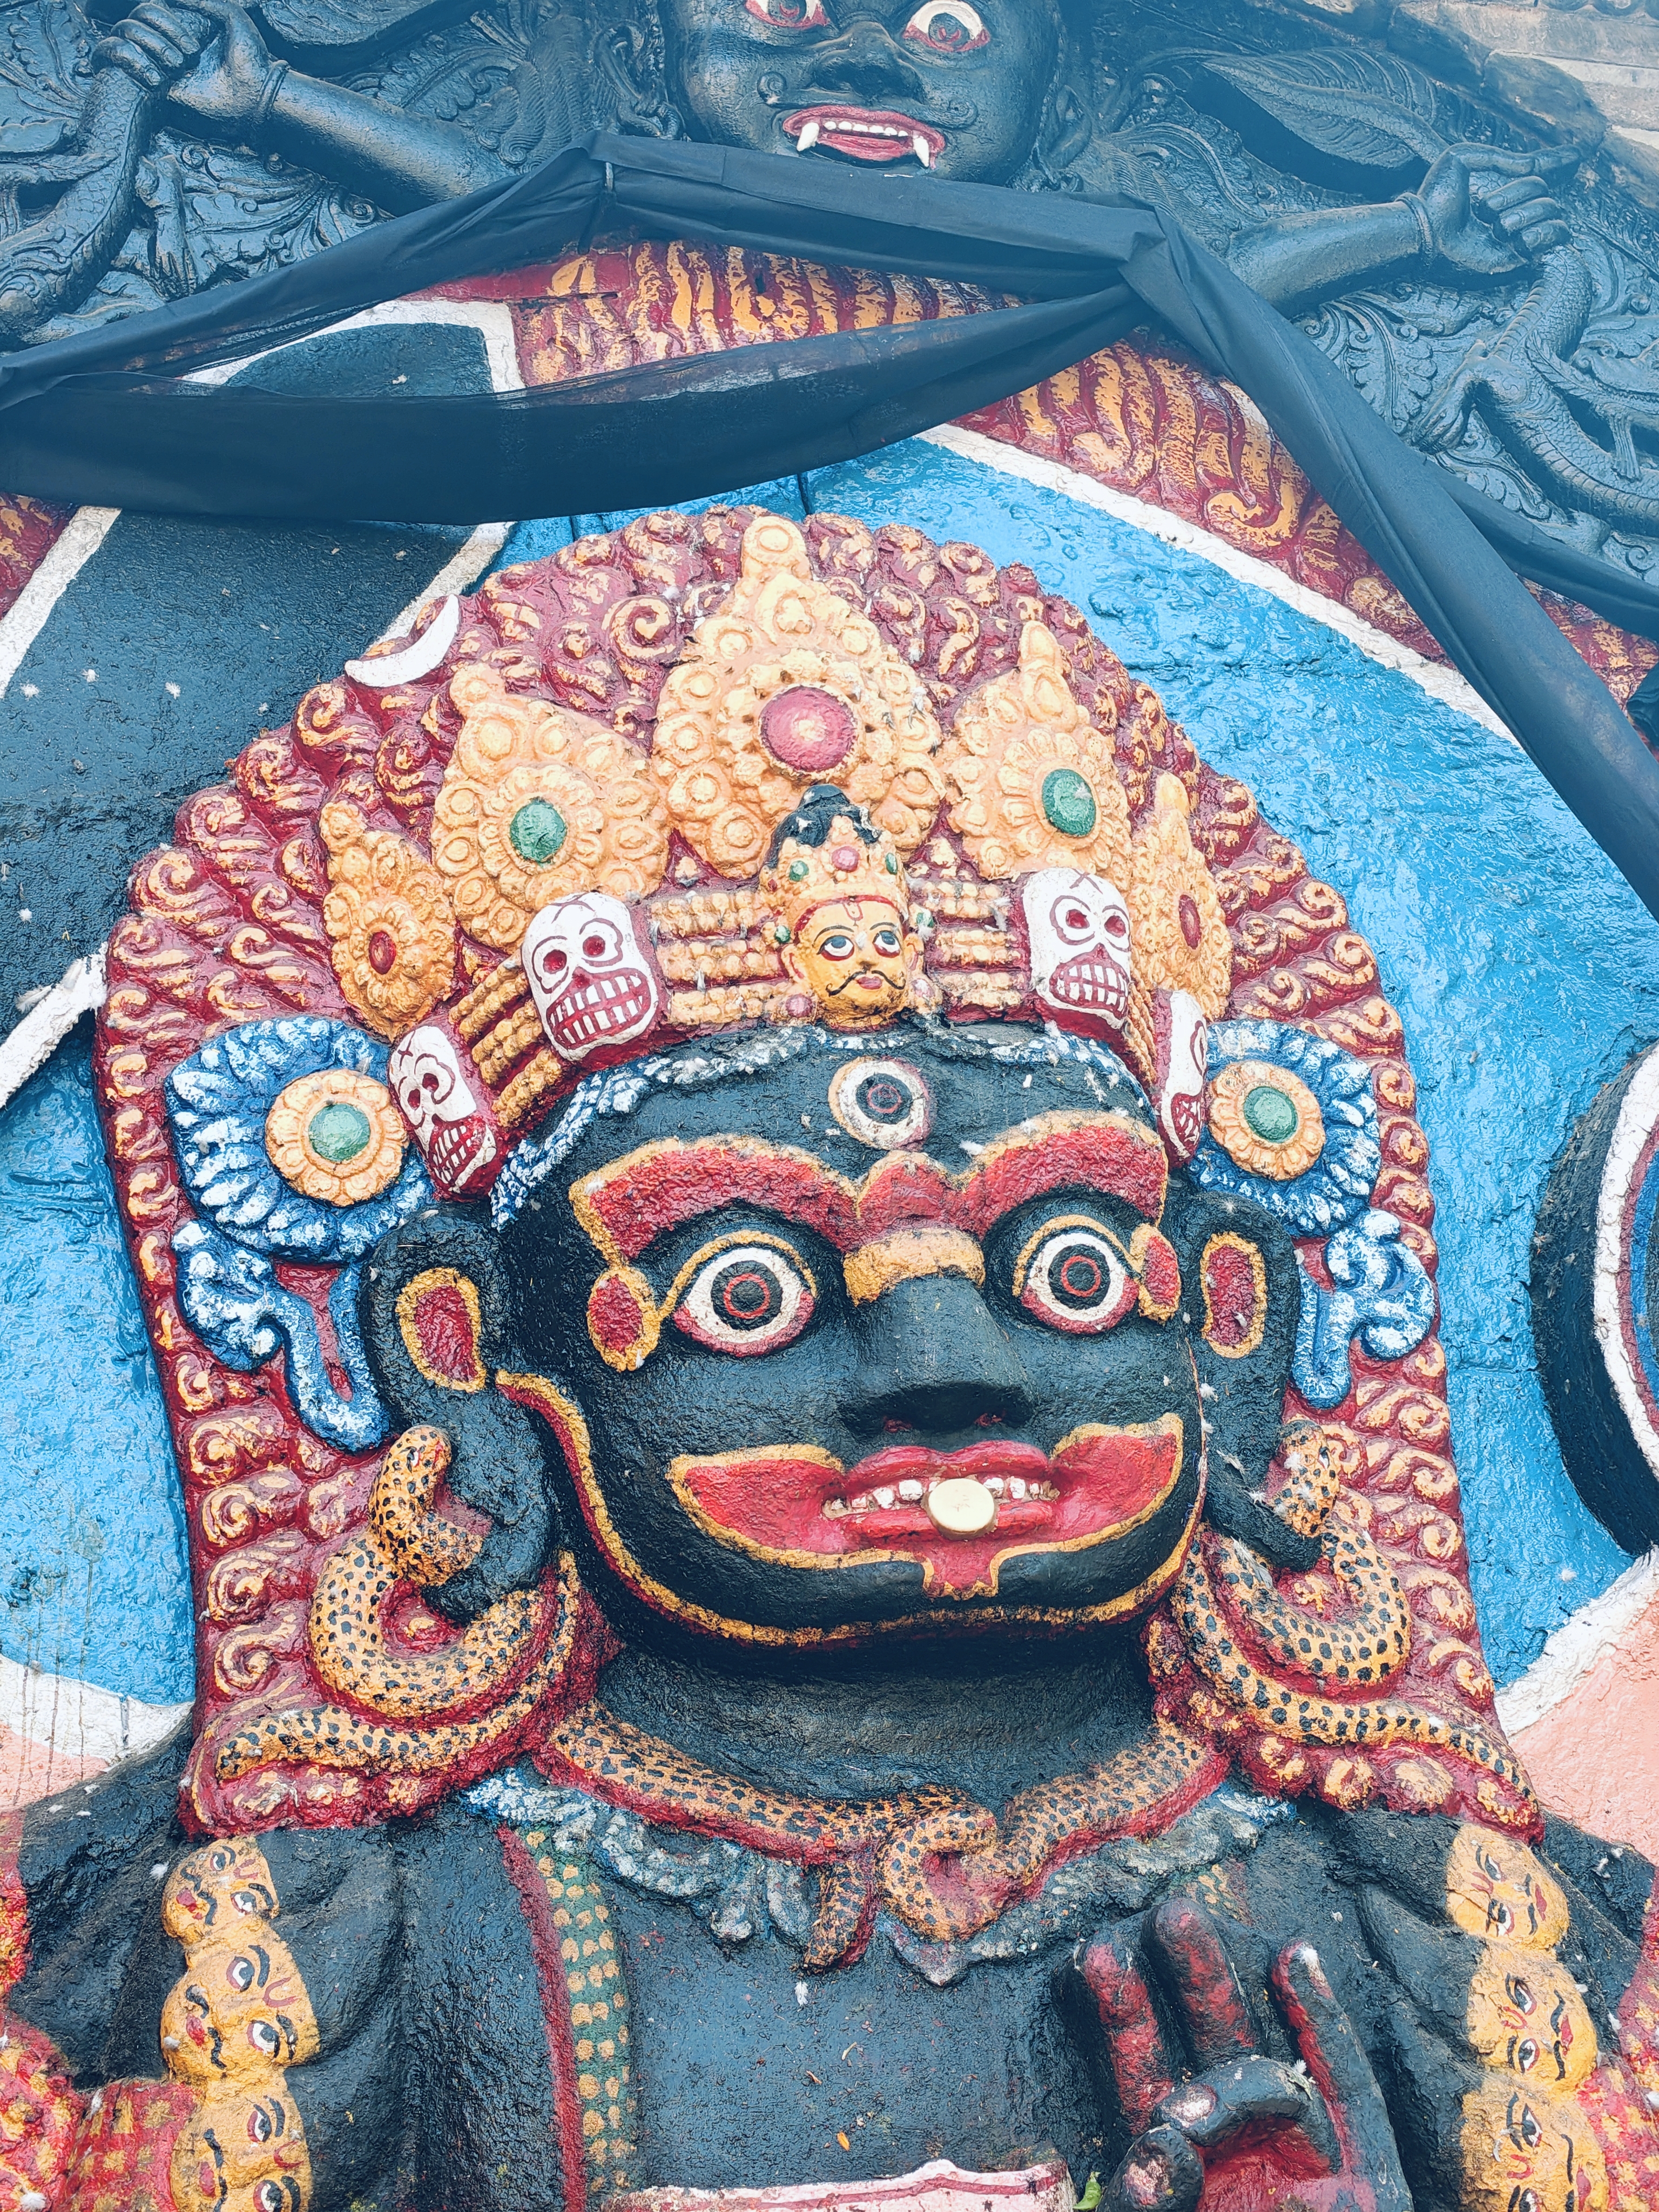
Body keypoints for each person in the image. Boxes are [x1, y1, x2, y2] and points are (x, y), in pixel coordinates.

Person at [2, 504, 1654, 2212]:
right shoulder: (334, 1950)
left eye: (1073, 1272)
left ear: (1230, 1334)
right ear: (467, 1358)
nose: (943, 1369)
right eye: (749, 1289)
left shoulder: (1472, 1955)